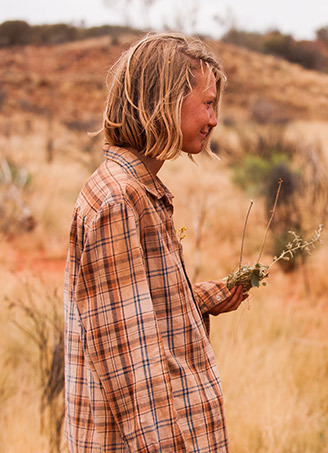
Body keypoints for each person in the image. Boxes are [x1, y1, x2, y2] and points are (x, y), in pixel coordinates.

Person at [64, 33, 247, 452]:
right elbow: (133, 370)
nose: (215, 119)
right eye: (208, 103)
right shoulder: (119, 200)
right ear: (164, 102)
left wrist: (199, 298)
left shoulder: (133, 190)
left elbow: (132, 313)